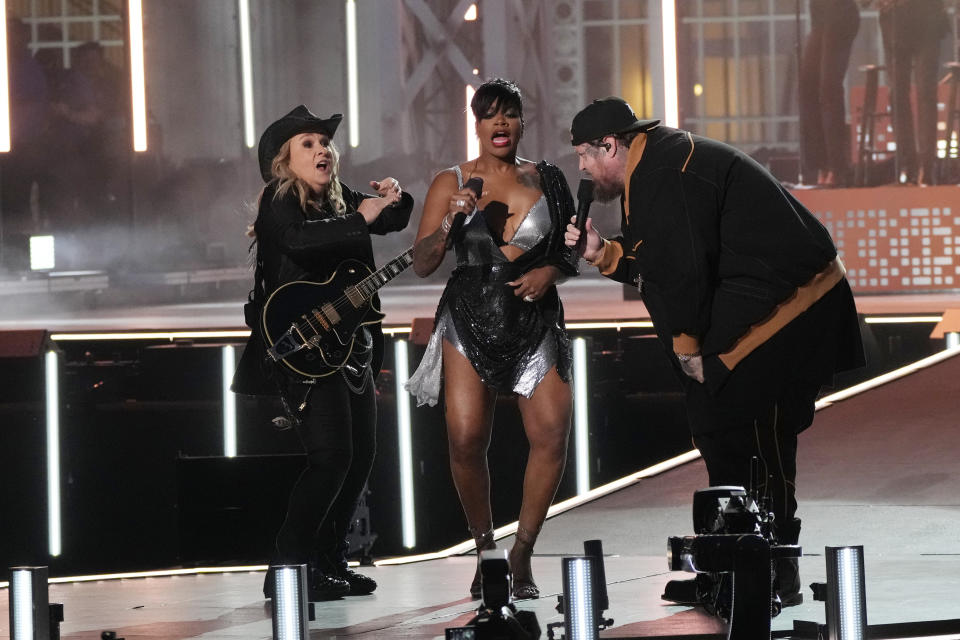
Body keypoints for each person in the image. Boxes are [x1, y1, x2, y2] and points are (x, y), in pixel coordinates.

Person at [564, 97, 864, 607]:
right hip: (759, 297)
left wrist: (690, 355)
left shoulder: (660, 174)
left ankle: (773, 570)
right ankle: (732, 564)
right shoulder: (651, 166)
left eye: (585, 157)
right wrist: (604, 254)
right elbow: (659, 262)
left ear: (609, 145)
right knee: (720, 427)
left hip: (793, 300)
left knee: (751, 430)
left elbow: (682, 278)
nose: (583, 170)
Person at [405, 78, 578, 600]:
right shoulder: (450, 181)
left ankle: (522, 551)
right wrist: (449, 223)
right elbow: (422, 263)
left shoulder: (548, 178)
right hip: (469, 314)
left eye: (510, 114)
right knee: (464, 438)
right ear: (476, 124)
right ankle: (486, 550)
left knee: (551, 431)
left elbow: (570, 249)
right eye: (489, 115)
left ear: (524, 122)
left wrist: (552, 273)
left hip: (535, 317)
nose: (500, 124)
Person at [231, 105, 413, 600]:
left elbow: (390, 220)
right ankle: (288, 569)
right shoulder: (280, 201)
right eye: (307, 143)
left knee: (359, 459)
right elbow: (299, 242)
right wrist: (361, 217)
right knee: (331, 457)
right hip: (303, 350)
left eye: (324, 142)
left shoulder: (340, 199)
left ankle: (331, 563)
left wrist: (397, 198)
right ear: (285, 161)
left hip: (352, 346)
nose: (322, 150)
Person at [874, 0, 948, 185]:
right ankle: (908, 165)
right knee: (898, 94)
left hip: (927, 17)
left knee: (926, 93)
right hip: (894, 20)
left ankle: (927, 166)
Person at [798, 0, 860, 187]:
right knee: (807, 86)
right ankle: (821, 164)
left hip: (841, 15)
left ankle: (837, 167)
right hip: (820, 18)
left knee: (829, 89)